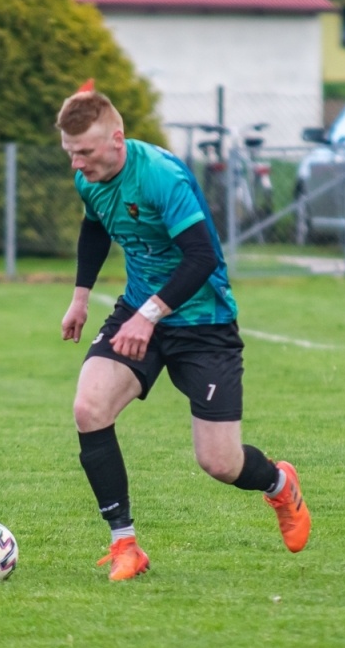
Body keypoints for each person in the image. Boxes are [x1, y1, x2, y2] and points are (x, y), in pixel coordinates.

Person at [56, 87, 309, 580]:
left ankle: (279, 483)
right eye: (70, 154)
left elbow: (202, 258)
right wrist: (81, 297)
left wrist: (148, 315)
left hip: (203, 324)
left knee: (219, 462)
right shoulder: (90, 179)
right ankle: (125, 545)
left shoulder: (161, 177)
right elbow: (94, 228)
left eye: (84, 152)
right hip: (139, 312)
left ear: (116, 139)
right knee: (89, 408)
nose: (77, 165)